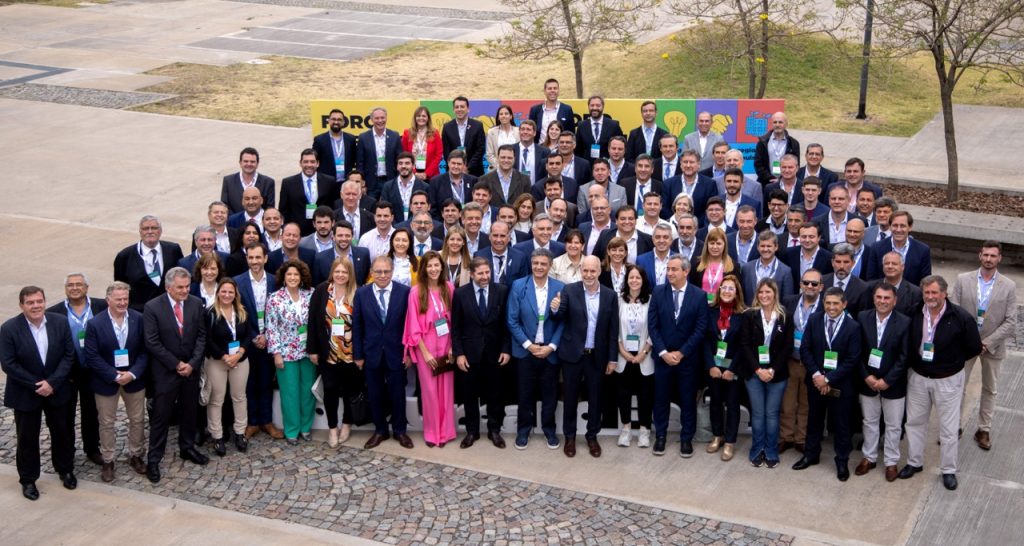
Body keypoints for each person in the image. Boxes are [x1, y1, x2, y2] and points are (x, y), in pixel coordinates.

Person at [899, 275, 983, 490]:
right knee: (915, 422)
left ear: (944, 293)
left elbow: (973, 347)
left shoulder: (961, 317)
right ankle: (914, 462)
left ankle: (948, 470)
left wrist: (950, 362)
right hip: (918, 377)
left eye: (934, 292)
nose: (930, 297)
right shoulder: (914, 312)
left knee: (948, 427)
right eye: (926, 292)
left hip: (948, 380)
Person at [1, 286, 77, 500]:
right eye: (30, 302)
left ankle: (65, 470)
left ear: (44, 301)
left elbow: (68, 356)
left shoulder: (60, 322)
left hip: (57, 390)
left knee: (63, 432)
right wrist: (37, 385)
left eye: (39, 301)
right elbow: (8, 364)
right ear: (21, 305)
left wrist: (52, 383)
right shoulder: (8, 329)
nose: (36, 306)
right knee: (27, 438)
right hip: (26, 393)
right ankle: (28, 479)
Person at [143, 267, 208, 484]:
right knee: (161, 417)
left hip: (190, 370)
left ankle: (187, 448)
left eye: (187, 286)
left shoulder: (196, 304)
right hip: (165, 372)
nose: (185, 291)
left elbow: (201, 337)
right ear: (168, 287)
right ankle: (153, 459)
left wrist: (191, 364)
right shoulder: (153, 307)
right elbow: (152, 342)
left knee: (190, 412)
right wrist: (176, 364)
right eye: (180, 287)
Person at [950, 241, 1017, 451]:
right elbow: (953, 312)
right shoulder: (963, 279)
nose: (989, 259)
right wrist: (970, 342)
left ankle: (983, 429)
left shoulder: (1009, 285)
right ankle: (955, 427)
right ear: (980, 255)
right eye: (985, 255)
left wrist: (987, 343)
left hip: (993, 346)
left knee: (990, 390)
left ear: (1000, 259)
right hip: (965, 345)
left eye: (993, 256)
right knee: (957, 388)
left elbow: (1011, 321)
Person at [551, 255, 618, 458]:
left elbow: (613, 330)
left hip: (597, 356)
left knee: (596, 399)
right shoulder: (569, 290)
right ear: (581, 271)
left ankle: (591, 436)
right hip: (572, 355)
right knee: (570, 397)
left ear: (599, 271)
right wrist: (554, 308)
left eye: (593, 271)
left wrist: (612, 359)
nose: (589, 274)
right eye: (585, 270)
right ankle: (570, 437)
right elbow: (559, 315)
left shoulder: (609, 295)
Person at [793, 287, 863, 482]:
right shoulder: (815, 320)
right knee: (814, 419)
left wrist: (828, 379)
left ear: (844, 305)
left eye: (835, 304)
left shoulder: (853, 327)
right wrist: (817, 375)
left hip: (840, 384)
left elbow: (852, 359)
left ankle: (841, 461)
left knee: (841, 425)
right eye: (828, 303)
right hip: (815, 381)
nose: (831, 307)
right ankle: (811, 455)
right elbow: (805, 349)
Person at [83, 282, 148, 482]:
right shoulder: (95, 323)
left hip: (134, 380)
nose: (122, 303)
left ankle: (136, 454)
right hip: (106, 381)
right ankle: (108, 460)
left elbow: (145, 351)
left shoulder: (139, 319)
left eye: (125, 299)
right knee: (106, 422)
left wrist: (133, 373)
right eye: (118, 299)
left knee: (137, 419)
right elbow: (92, 356)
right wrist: (113, 375)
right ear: (108, 300)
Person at [648, 256, 709, 457]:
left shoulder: (699, 295)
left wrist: (682, 352)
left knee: (687, 400)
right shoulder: (658, 292)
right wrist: (664, 352)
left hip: (688, 360)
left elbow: (700, 329)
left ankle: (686, 439)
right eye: (668, 269)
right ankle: (661, 436)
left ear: (686, 271)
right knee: (661, 399)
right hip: (663, 358)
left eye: (674, 269)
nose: (670, 273)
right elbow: (653, 326)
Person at [352, 256, 414, 450]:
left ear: (392, 271)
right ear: (371, 272)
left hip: (397, 352)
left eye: (386, 271)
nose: (382, 275)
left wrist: (409, 352)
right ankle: (380, 430)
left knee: (398, 393)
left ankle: (400, 431)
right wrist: (358, 355)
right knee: (375, 393)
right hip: (371, 353)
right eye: (378, 271)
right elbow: (357, 326)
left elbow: (410, 325)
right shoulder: (362, 294)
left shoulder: (404, 292)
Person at [46, 273, 107, 467]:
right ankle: (67, 451)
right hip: (68, 374)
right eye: (70, 285)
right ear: (65, 289)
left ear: (86, 287)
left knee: (92, 413)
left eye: (79, 284)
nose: (74, 288)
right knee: (65, 415)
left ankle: (92, 448)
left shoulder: (101, 307)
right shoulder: (54, 312)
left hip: (93, 370)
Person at [452, 257, 512, 448]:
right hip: (469, 355)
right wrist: (459, 353)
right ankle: (472, 432)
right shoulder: (461, 294)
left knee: (495, 394)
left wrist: (506, 349)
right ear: (472, 274)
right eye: (481, 273)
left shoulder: (501, 291)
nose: (485, 276)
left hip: (494, 354)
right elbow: (456, 327)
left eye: (488, 272)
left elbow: (506, 324)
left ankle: (494, 431)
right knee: (470, 395)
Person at [508, 248, 566, 450]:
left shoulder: (560, 287)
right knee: (525, 394)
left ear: (550, 266)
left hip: (549, 352)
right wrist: (528, 345)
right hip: (526, 351)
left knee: (550, 394)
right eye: (536, 263)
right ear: (531, 264)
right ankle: (524, 430)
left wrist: (551, 346)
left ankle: (549, 430)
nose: (539, 267)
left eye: (543, 264)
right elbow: (512, 320)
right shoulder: (518, 286)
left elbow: (563, 322)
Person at [855, 282, 910, 482]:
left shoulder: (904, 322)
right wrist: (866, 376)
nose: (882, 301)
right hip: (867, 381)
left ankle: (891, 462)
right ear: (873, 298)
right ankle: (868, 457)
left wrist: (887, 380)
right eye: (879, 297)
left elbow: (905, 357)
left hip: (893, 384)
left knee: (893, 425)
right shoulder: (862, 317)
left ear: (895, 301)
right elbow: (856, 351)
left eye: (887, 298)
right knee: (869, 422)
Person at [402, 251, 456, 447]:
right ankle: (433, 433)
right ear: (423, 269)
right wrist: (425, 353)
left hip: (447, 343)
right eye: (429, 266)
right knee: (430, 392)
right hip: (426, 345)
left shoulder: (449, 288)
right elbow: (413, 325)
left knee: (447, 390)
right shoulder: (416, 292)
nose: (433, 269)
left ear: (442, 267)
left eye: (436, 265)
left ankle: (447, 432)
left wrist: (452, 346)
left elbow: (456, 320)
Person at [740, 278, 794, 468]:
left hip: (776, 374)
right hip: (754, 372)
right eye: (761, 292)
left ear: (775, 294)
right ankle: (757, 450)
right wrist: (758, 369)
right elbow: (744, 345)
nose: (764, 295)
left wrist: (772, 370)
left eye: (768, 292)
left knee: (772, 414)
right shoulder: (749, 315)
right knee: (758, 413)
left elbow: (788, 347)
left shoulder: (785, 315)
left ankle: (771, 451)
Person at [308, 257, 362, 448]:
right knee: (330, 390)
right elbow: (313, 321)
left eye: (344, 272)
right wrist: (312, 349)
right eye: (337, 271)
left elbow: (362, 325)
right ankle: (332, 428)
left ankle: (346, 424)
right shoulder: (322, 291)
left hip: (350, 352)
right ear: (332, 272)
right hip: (327, 351)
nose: (340, 275)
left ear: (350, 275)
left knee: (350, 390)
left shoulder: (357, 292)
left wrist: (360, 354)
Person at [233, 243, 283, 440]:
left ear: (266, 258)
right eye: (251, 257)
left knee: (266, 381)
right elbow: (237, 313)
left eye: (258, 257)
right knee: (249, 383)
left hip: (270, 340)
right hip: (248, 341)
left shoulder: (274, 281)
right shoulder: (238, 282)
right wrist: (254, 336)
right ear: (247, 259)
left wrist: (267, 336)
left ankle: (267, 421)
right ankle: (252, 422)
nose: (255, 261)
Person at [265, 259, 315, 446]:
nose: (293, 277)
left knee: (307, 392)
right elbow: (271, 328)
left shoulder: (311, 294)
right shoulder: (275, 298)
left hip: (308, 352)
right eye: (289, 274)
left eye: (296, 274)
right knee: (290, 393)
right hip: (285, 353)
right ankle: (292, 430)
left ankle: (305, 427)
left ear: (302, 277)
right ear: (284, 278)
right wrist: (276, 353)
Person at [204, 277, 253, 456]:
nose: (227, 295)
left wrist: (239, 353)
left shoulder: (241, 311)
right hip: (217, 362)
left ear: (235, 294)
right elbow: (207, 340)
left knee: (239, 397)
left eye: (230, 292)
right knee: (216, 399)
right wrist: (224, 356)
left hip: (240, 360)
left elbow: (248, 334)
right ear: (218, 293)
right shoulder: (210, 313)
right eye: (223, 291)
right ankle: (217, 436)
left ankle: (240, 433)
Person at [779, 268, 823, 453]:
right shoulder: (789, 301)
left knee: (806, 403)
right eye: (806, 283)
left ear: (821, 287)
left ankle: (801, 439)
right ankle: (786, 437)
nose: (809, 286)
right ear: (800, 285)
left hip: (812, 363)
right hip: (791, 360)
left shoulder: (825, 306)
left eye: (814, 283)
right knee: (787, 403)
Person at [705, 275, 746, 462]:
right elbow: (705, 341)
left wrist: (733, 370)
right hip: (714, 368)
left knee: (732, 404)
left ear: (736, 293)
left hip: (733, 370)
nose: (727, 291)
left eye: (731, 288)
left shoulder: (742, 315)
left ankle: (730, 441)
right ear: (718, 290)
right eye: (724, 288)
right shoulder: (711, 311)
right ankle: (717, 435)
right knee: (715, 402)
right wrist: (711, 366)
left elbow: (743, 345)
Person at [614, 264, 655, 448]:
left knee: (645, 395)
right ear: (627, 280)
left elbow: (655, 329)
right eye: (631, 277)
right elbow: (613, 327)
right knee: (623, 394)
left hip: (644, 356)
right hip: (623, 355)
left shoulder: (651, 301)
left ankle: (645, 431)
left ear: (643, 280)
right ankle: (626, 430)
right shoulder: (618, 300)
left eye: (638, 277)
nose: (634, 280)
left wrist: (644, 352)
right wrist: (621, 350)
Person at [114, 215, 184, 311]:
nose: (150, 231)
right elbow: (120, 287)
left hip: (170, 311)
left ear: (160, 231)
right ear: (140, 232)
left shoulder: (173, 250)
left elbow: (181, 277)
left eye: (154, 228)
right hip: (140, 313)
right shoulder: (125, 256)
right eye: (145, 228)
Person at [279, 148, 338, 236]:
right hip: (297, 233)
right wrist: (286, 230)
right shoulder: (288, 183)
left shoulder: (329, 181)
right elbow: (283, 210)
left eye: (312, 162)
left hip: (323, 231)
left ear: (317, 163)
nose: (309, 165)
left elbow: (334, 207)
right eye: (306, 162)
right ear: (300, 163)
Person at [868, 211, 931, 285]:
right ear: (890, 227)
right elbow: (871, 279)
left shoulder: (922, 250)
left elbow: (925, 281)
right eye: (895, 225)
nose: (898, 230)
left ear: (910, 227)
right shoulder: (876, 248)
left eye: (902, 226)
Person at [356, 106, 401, 199]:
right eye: (377, 118)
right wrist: (362, 183)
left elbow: (399, 159)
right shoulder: (363, 137)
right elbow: (360, 162)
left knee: (390, 207)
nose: (380, 120)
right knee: (371, 210)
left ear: (386, 118)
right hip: (371, 183)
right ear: (371, 119)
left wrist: (398, 179)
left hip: (390, 180)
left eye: (382, 118)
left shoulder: (395, 136)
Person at [742, 230, 794, 302]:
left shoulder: (785, 271)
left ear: (776, 247)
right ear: (758, 247)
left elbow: (787, 300)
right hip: (750, 312)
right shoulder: (747, 268)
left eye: (769, 246)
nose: (765, 249)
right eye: (762, 246)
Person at [221, 147, 275, 214]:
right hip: (234, 223)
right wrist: (236, 220)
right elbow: (225, 206)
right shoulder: (228, 181)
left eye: (252, 162)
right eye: (246, 161)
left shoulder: (268, 182)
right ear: (240, 163)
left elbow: (269, 208)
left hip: (259, 223)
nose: (249, 164)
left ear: (257, 164)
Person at [441, 96, 487, 176]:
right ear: (453, 110)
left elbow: (480, 149)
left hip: (474, 171)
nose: (459, 109)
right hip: (453, 171)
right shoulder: (447, 127)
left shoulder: (477, 126)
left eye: (462, 107)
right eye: (456, 107)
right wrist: (456, 166)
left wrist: (467, 167)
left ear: (468, 109)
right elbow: (446, 152)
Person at [688, 229, 738, 299]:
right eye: (712, 243)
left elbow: (737, 293)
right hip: (701, 306)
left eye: (718, 243)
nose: (715, 247)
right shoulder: (697, 264)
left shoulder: (734, 266)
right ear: (707, 245)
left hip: (723, 307)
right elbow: (692, 290)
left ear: (724, 245)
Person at [754, 111, 800, 185]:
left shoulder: (794, 143)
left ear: (786, 124)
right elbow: (758, 164)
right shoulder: (762, 142)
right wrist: (770, 178)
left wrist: (782, 179)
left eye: (780, 122)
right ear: (771, 124)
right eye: (775, 122)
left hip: (786, 183)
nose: (777, 125)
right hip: (766, 183)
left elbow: (796, 165)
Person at [783, 222, 833, 287]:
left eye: (811, 237)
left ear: (819, 238)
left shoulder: (828, 258)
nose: (807, 240)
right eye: (803, 237)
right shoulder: (788, 254)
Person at [312, 108, 357, 182]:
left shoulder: (351, 139)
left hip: (346, 181)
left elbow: (353, 160)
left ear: (343, 122)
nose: (336, 122)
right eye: (333, 119)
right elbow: (315, 161)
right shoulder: (319, 140)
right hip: (326, 182)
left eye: (339, 120)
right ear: (329, 121)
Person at [401, 105, 443, 180]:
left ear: (428, 118)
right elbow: (404, 155)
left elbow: (438, 155)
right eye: (418, 116)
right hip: (412, 175)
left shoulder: (435, 133)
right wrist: (414, 172)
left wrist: (427, 173)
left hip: (431, 175)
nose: (421, 118)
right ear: (415, 118)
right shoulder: (407, 133)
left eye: (424, 116)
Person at [575, 95, 623, 160]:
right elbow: (578, 149)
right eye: (592, 105)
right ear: (588, 107)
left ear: (603, 107)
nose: (594, 108)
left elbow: (621, 145)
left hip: (607, 165)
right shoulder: (582, 125)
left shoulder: (613, 125)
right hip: (587, 166)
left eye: (598, 105)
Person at [486, 104, 520, 170]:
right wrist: (501, 167)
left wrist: (512, 167)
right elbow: (489, 154)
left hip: (515, 169)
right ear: (498, 117)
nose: (503, 116)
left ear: (511, 116)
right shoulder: (491, 132)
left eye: (506, 113)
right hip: (497, 170)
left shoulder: (518, 131)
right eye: (501, 114)